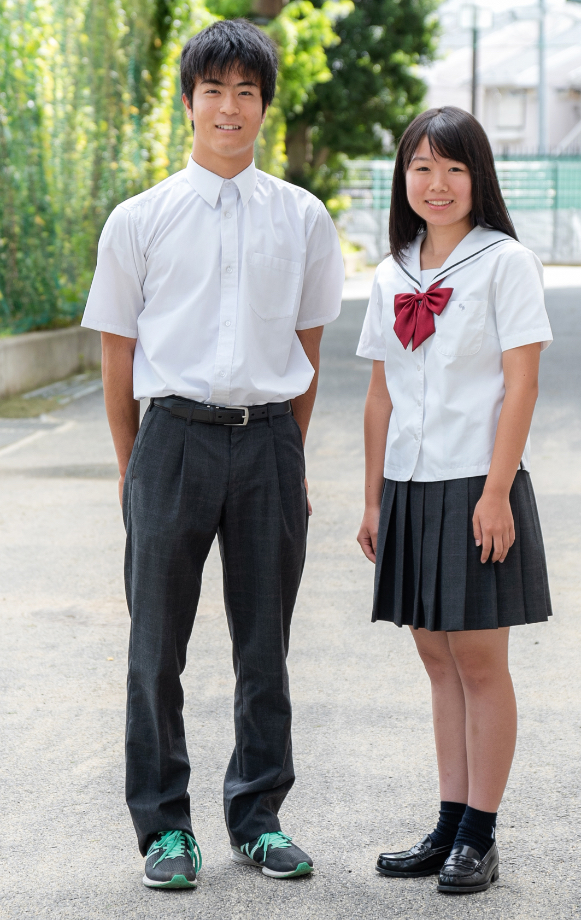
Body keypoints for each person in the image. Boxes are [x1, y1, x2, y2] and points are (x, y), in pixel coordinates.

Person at [81, 18, 344, 889]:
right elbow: (117, 356)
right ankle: (163, 829)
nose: (229, 107)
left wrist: (291, 455)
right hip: (172, 443)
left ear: (264, 106)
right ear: (189, 100)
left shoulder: (303, 219)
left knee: (263, 645)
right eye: (214, 91)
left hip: (268, 442)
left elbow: (306, 351)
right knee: (156, 648)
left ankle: (259, 815)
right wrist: (133, 464)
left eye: (246, 92)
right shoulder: (140, 218)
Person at [356, 106, 553, 895]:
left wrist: (498, 490)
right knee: (434, 659)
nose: (436, 185)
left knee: (477, 660)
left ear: (479, 179)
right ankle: (447, 822)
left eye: (454, 169)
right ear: (404, 177)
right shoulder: (389, 271)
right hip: (408, 483)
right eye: (422, 168)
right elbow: (378, 397)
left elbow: (522, 384)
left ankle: (482, 832)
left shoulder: (506, 262)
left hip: (477, 482)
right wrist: (373, 501)